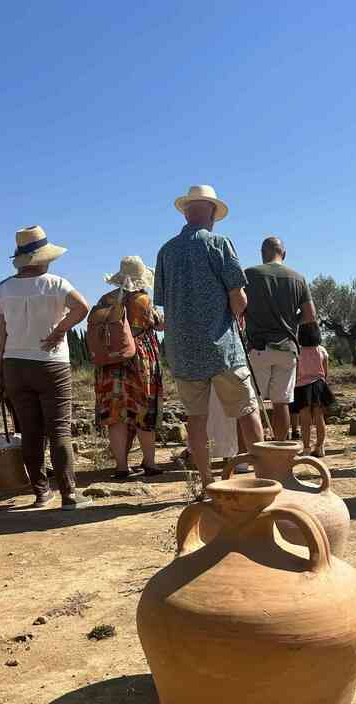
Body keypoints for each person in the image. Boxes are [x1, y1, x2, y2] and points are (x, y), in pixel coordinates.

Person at [154, 184, 264, 490]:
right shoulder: (219, 243)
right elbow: (238, 297)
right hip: (223, 346)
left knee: (196, 421)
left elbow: (163, 302)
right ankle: (263, 478)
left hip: (183, 351)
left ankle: (206, 483)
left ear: (187, 212)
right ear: (212, 213)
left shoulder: (165, 251)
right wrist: (237, 316)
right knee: (247, 411)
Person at [0, 225, 92, 509]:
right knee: (59, 430)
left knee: (31, 432)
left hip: (14, 365)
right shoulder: (56, 284)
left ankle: (41, 492)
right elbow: (82, 307)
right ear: (44, 257)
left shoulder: (2, 289)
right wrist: (59, 331)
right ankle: (69, 494)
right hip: (51, 363)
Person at [91, 257, 164, 479]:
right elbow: (159, 324)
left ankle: (121, 466)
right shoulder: (143, 300)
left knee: (116, 414)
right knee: (144, 411)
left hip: (110, 362)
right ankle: (150, 463)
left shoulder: (106, 299)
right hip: (139, 360)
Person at [244, 236, 316, 441]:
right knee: (281, 402)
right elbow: (311, 314)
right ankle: (280, 450)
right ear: (283, 254)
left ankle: (251, 455)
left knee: (251, 404)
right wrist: (292, 323)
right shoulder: (298, 277)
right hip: (287, 348)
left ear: (262, 253)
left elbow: (238, 305)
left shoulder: (250, 275)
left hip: (258, 347)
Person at [290, 321, 334, 457]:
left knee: (305, 420)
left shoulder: (297, 351)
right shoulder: (321, 350)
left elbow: (294, 371)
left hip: (302, 387)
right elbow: (326, 371)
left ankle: (307, 448)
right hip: (319, 386)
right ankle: (320, 447)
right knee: (319, 418)